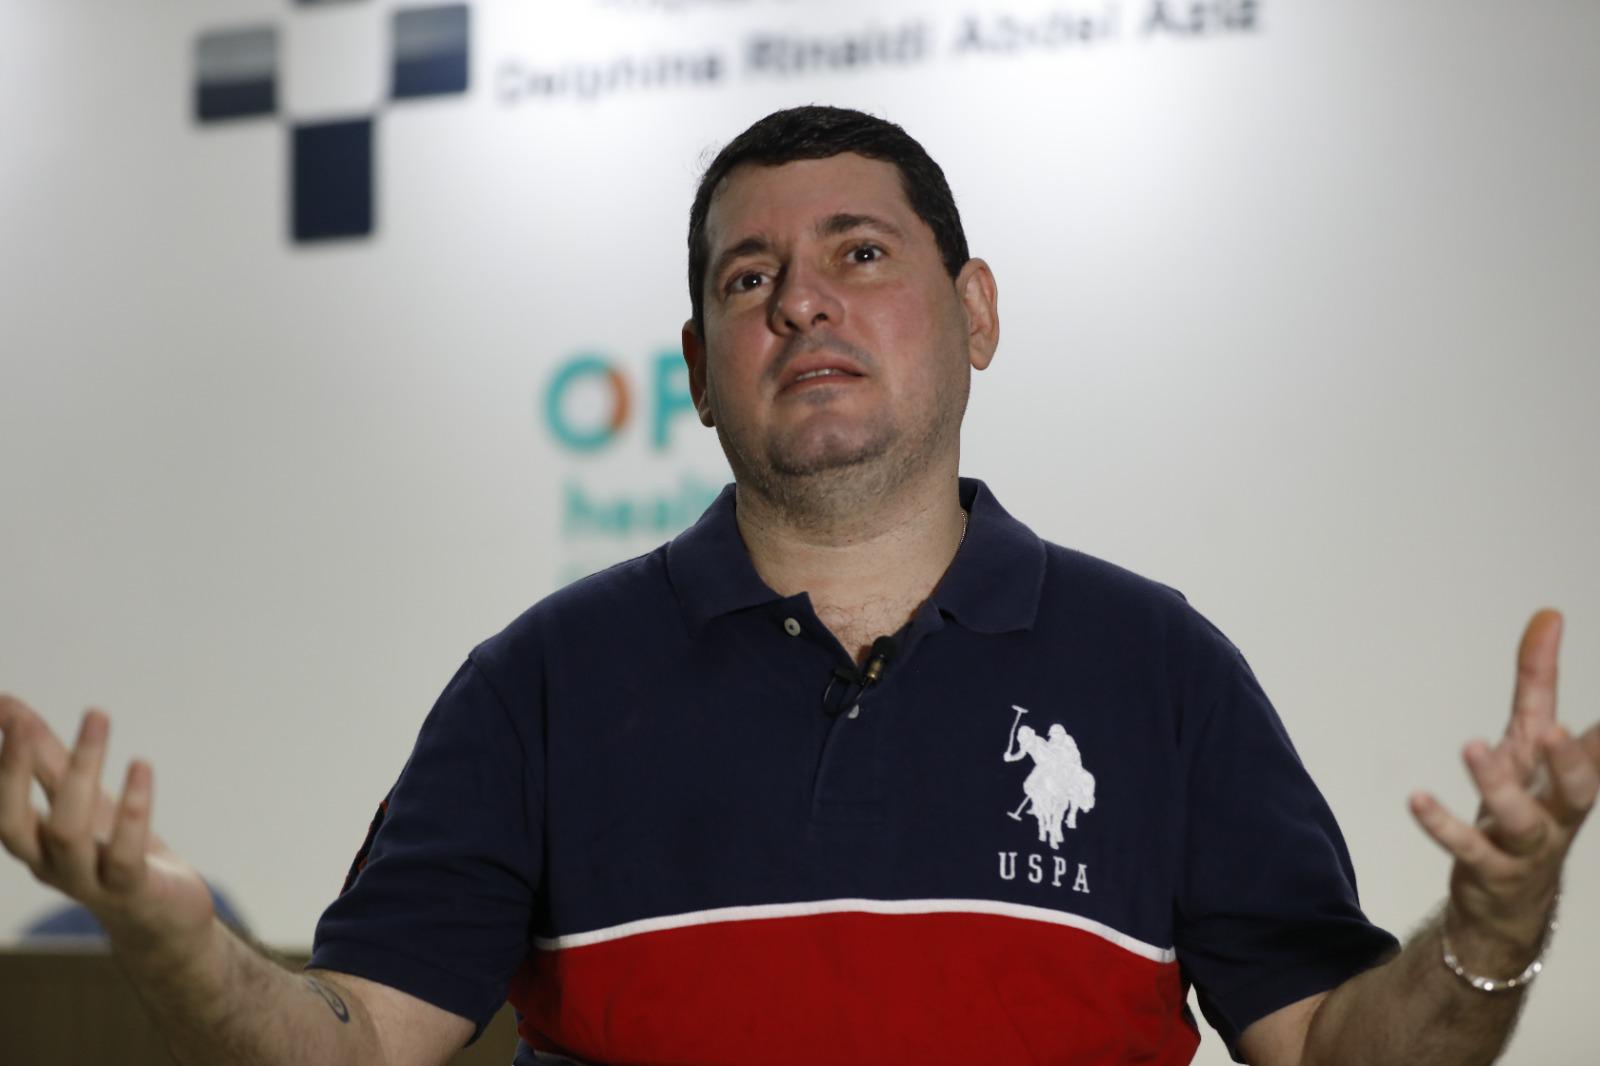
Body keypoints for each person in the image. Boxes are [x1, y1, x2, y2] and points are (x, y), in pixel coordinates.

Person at [0, 105, 1596, 1066]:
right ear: (699, 369)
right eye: (749, 277)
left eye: (861, 254)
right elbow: (354, 1042)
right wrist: (176, 940)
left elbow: (1333, 1048)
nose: (803, 304)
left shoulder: (1157, 669)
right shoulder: (540, 683)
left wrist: (1495, 921)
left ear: (976, 309)